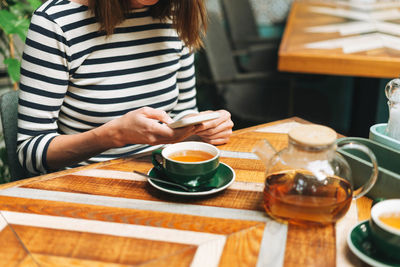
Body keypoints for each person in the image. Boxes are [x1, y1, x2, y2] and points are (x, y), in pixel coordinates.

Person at [17, 0, 233, 175]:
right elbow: (30, 152)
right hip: (88, 185)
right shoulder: (55, 22)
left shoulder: (177, 11)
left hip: (164, 175)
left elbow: (184, 115)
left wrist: (204, 131)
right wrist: (114, 135)